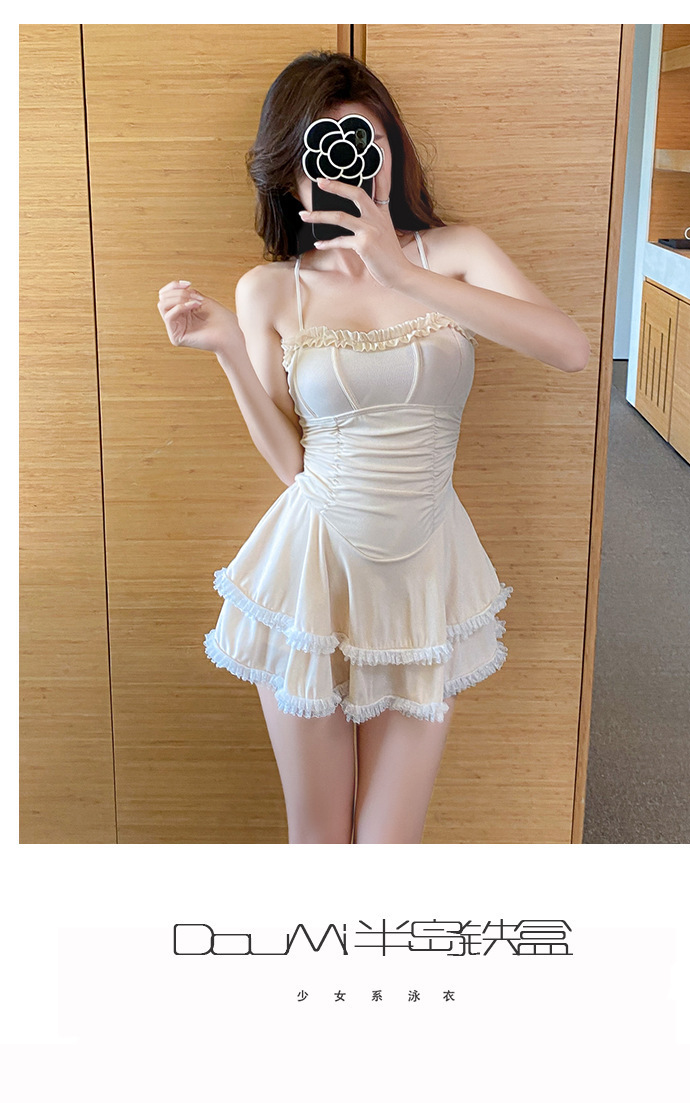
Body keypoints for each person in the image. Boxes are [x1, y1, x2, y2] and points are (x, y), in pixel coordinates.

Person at [157, 51, 589, 846]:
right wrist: (225, 347)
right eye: (319, 149)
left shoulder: (456, 253)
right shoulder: (271, 289)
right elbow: (292, 464)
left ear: (392, 152)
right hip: (312, 572)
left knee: (390, 845)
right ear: (289, 175)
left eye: (365, 142)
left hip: (426, 573)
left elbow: (569, 349)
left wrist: (401, 270)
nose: (347, 165)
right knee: (319, 839)